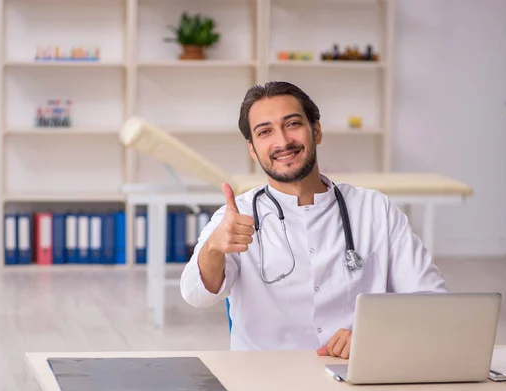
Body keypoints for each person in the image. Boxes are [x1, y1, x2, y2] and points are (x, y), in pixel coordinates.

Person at [180, 81, 447, 359]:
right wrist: (214, 248)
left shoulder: (374, 209)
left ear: (316, 131)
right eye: (265, 132)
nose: (282, 141)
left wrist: (376, 335)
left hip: (356, 371)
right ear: (252, 149)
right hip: (265, 379)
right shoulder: (235, 217)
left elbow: (431, 299)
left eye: (293, 124)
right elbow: (196, 295)